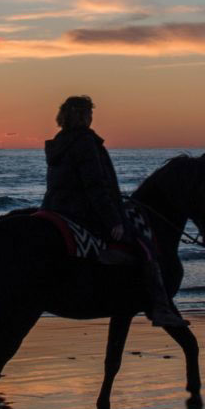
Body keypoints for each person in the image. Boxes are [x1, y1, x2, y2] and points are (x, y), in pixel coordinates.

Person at [40, 95, 187, 328]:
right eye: (89, 113)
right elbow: (95, 184)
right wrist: (113, 220)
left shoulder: (59, 142)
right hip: (83, 210)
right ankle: (159, 307)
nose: (91, 117)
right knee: (143, 242)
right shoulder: (86, 142)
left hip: (57, 206)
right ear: (83, 116)